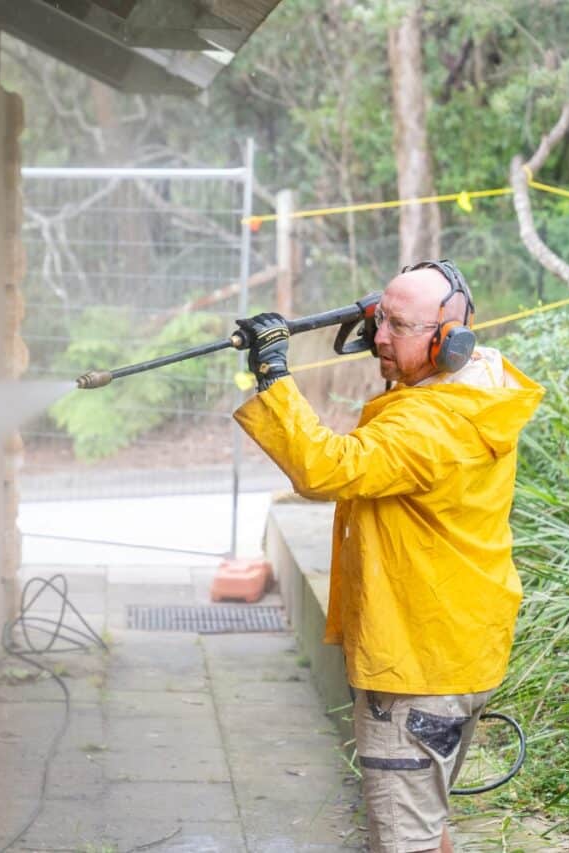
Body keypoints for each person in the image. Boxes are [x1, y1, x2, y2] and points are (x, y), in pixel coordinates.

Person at [232, 260, 544, 853]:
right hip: (458, 648)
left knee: (405, 842)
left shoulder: (430, 428)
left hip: (413, 665)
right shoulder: (477, 390)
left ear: (451, 340)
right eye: (380, 319)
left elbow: (327, 468)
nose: (379, 337)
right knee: (427, 827)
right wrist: (393, 334)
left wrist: (273, 374)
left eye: (397, 326)